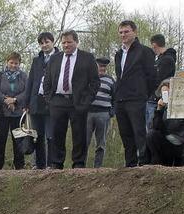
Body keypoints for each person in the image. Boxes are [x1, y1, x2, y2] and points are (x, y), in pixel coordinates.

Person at [43, 30, 100, 169]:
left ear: (76, 42)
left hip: (78, 102)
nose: (66, 45)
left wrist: (86, 101)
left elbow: (94, 82)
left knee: (79, 134)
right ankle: (57, 163)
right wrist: (49, 98)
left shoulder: (87, 58)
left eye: (69, 42)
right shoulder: (55, 59)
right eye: (63, 42)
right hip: (57, 101)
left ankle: (78, 163)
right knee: (57, 133)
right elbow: (47, 81)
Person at [114, 20, 156, 167]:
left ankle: (144, 163)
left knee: (139, 132)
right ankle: (130, 164)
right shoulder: (118, 54)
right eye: (121, 32)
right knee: (125, 134)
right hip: (120, 99)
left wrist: (143, 93)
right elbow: (120, 76)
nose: (123, 35)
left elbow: (152, 76)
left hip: (137, 98)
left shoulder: (145, 51)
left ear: (134, 32)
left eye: (126, 31)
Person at [146, 79, 184, 166]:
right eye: (163, 94)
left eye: (168, 93)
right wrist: (159, 109)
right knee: (151, 135)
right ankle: (158, 164)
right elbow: (155, 127)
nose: (166, 96)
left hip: (183, 143)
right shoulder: (161, 107)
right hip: (167, 143)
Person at [24, 32, 59, 169]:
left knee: (51, 135)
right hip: (36, 101)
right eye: (42, 43)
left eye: (47, 42)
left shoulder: (59, 58)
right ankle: (39, 164)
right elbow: (31, 81)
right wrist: (26, 102)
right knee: (36, 135)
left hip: (52, 101)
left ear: (52, 42)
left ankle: (51, 164)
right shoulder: (36, 60)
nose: (44, 45)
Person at [0, 52, 28, 170]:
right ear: (7, 62)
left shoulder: (23, 76)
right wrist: (6, 100)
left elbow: (26, 92)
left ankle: (19, 166)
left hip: (18, 113)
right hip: (2, 112)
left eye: (16, 63)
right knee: (0, 139)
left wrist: (15, 100)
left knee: (18, 139)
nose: (13, 65)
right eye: (11, 62)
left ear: (19, 64)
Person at [85, 57, 116, 168]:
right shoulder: (88, 78)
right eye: (100, 66)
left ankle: (97, 167)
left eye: (104, 66)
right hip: (88, 113)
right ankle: (81, 166)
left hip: (104, 113)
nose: (102, 68)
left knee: (101, 143)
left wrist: (112, 112)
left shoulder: (110, 80)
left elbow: (115, 98)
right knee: (85, 141)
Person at [147, 34, 176, 130]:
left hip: (157, 99)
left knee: (152, 128)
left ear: (154, 45)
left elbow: (161, 80)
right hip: (153, 98)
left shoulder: (167, 60)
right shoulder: (160, 59)